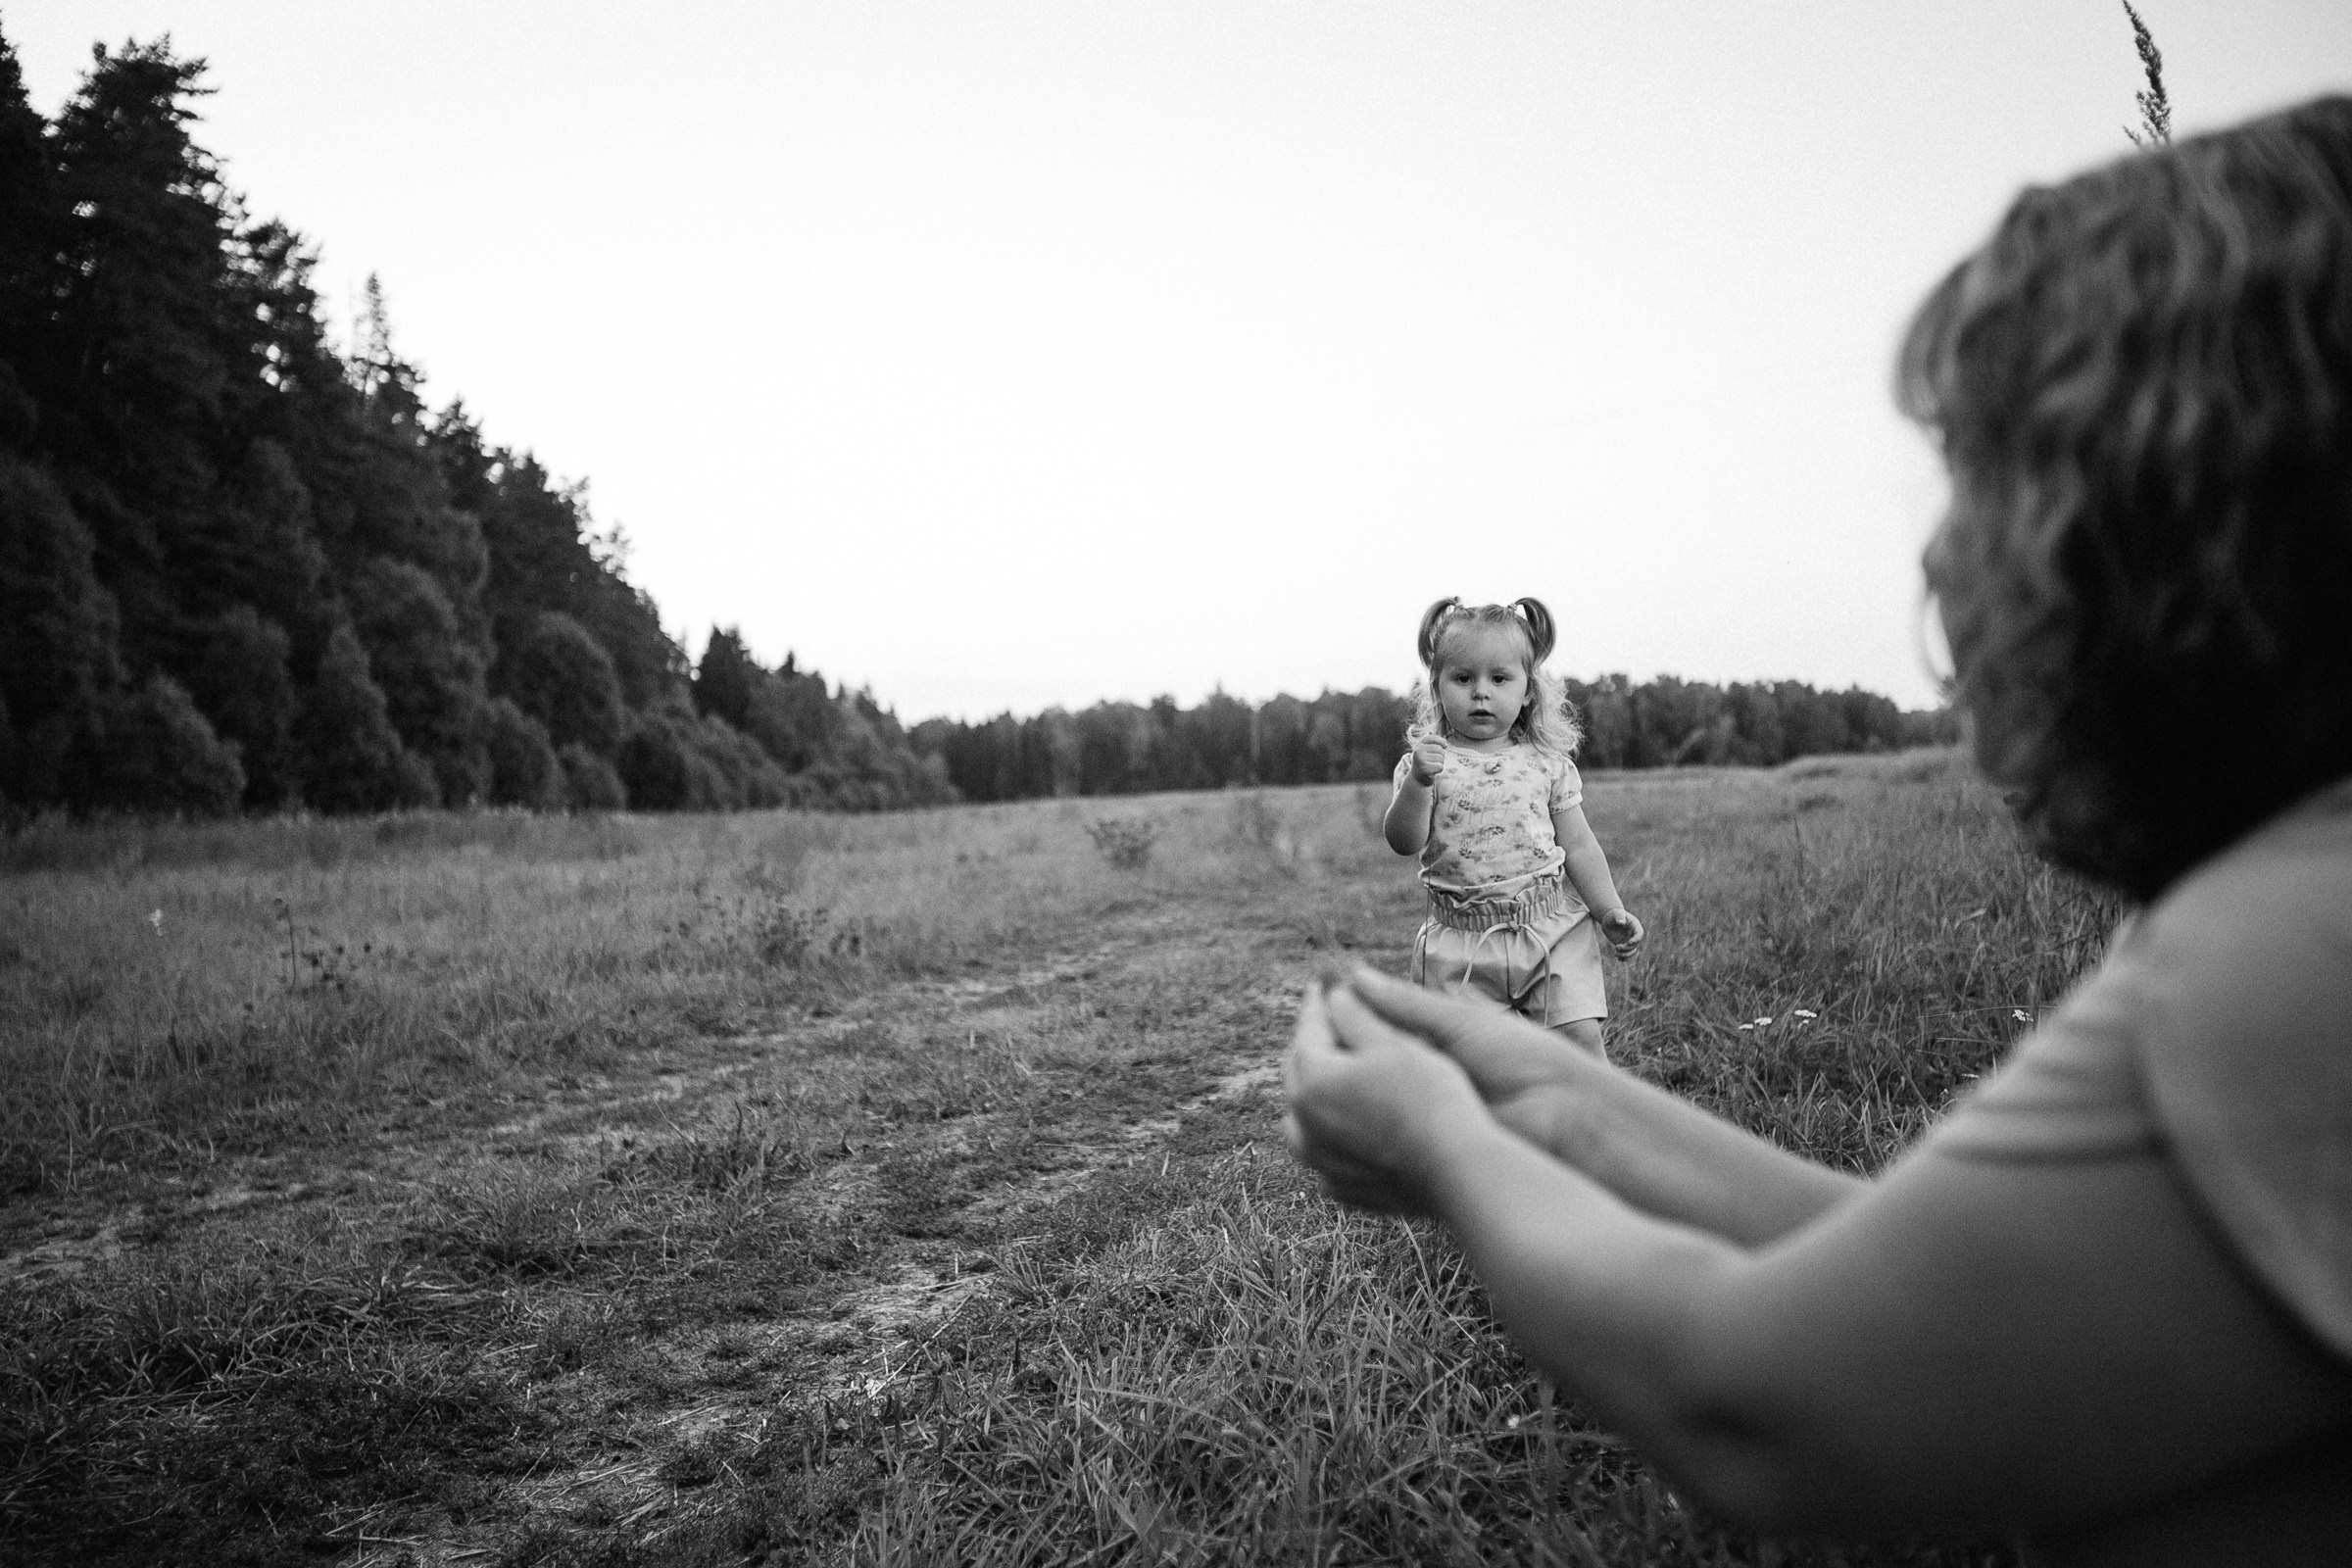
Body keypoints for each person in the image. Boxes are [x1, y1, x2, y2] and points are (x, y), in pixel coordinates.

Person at [1287, 96, 2352, 1565]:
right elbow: (1926, 1289)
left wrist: (1443, 1153)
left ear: (2183, 521)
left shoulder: (2290, 953)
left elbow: (1768, 1414)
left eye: (1990, 474)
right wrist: (1545, 1097)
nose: (1932, 548)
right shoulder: (2306, 896)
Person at [1384, 597, 1645, 1056]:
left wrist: (1608, 911)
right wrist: (1419, 783)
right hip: (1459, 945)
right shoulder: (1425, 764)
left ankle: (1595, 1126)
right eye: (1463, 678)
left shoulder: (1547, 765)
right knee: (1476, 1069)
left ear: (1527, 690)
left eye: (1499, 678)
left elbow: (1580, 847)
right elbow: (1404, 842)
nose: (1481, 692)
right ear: (1437, 687)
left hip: (1549, 932)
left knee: (1581, 1053)